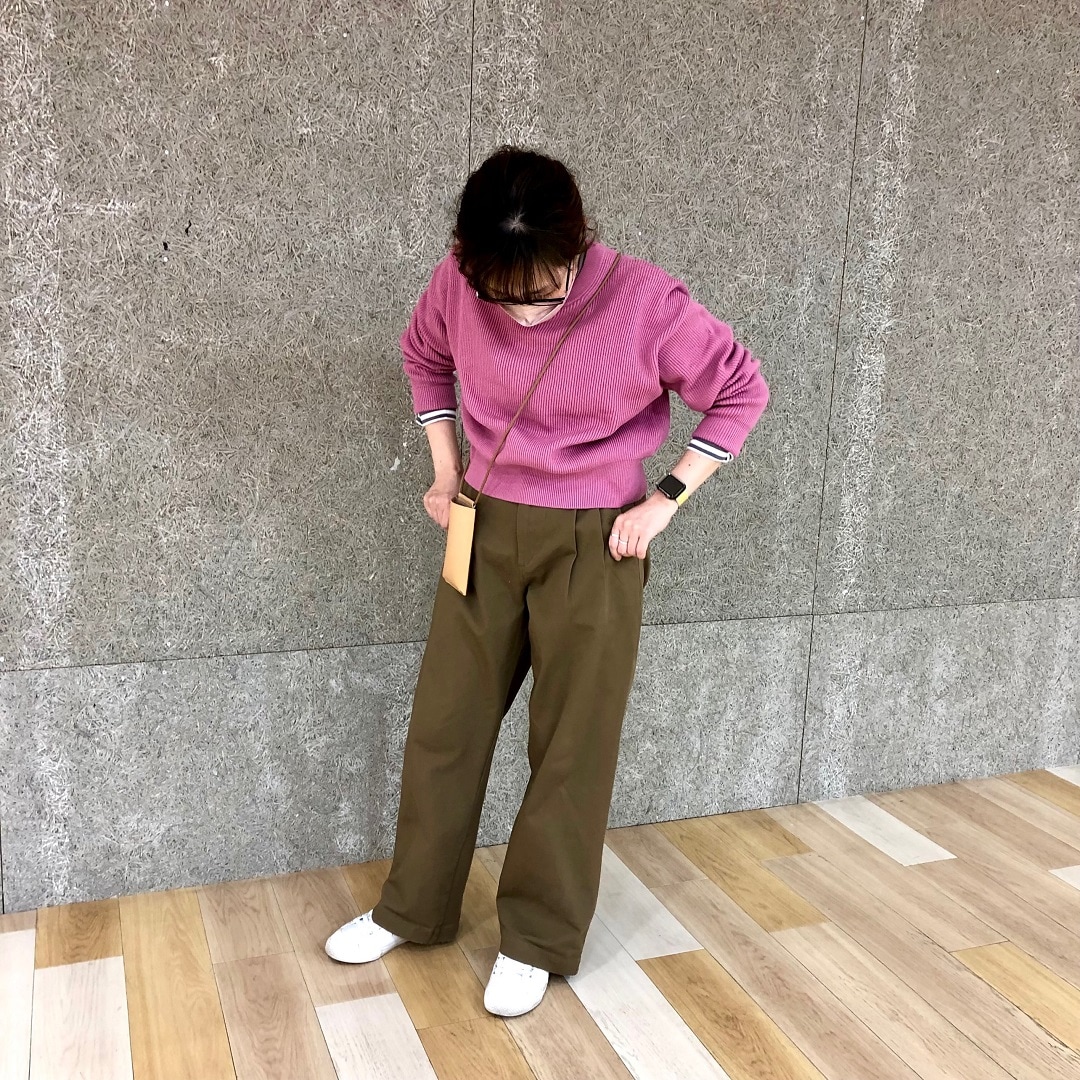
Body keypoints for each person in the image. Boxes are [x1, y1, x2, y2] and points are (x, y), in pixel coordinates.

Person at [326, 146, 769, 1017]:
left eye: (544, 291)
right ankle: (413, 909)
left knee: (572, 745)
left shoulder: (647, 302)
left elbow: (741, 391)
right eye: (504, 294)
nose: (524, 311)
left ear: (578, 244)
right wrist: (445, 469)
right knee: (445, 726)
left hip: (596, 542)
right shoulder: (461, 281)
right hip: (485, 523)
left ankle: (534, 939)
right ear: (469, 258)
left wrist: (666, 499)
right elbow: (424, 356)